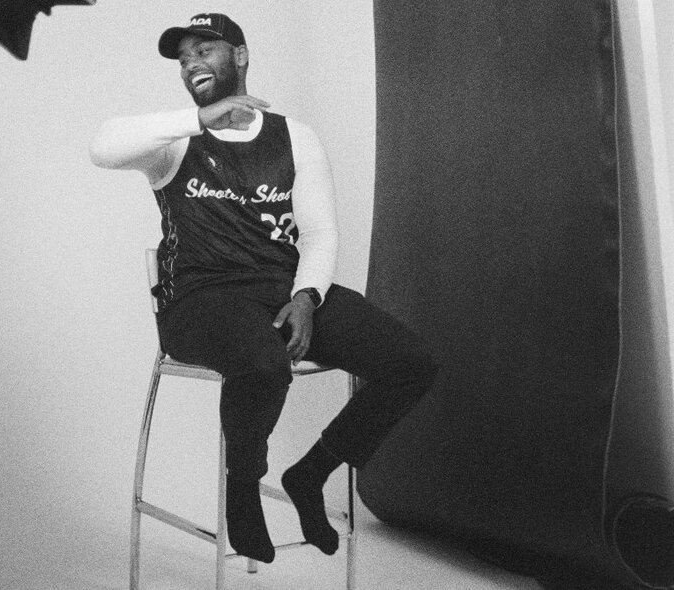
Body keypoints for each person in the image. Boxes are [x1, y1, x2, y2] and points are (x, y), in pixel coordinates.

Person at [89, 13, 438, 564]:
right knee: (262, 359)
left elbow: (320, 231)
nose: (192, 64)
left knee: (412, 360)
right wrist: (198, 117)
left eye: (205, 50)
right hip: (199, 301)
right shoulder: (176, 142)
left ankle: (313, 472)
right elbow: (102, 146)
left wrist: (307, 297)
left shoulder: (293, 136)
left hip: (282, 290)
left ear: (241, 56)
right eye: (184, 59)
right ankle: (243, 488)